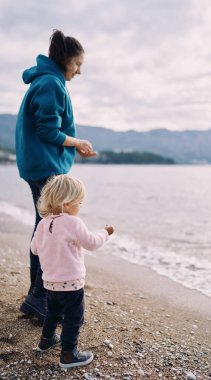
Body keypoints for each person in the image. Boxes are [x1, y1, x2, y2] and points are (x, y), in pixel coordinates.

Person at [15, 29, 96, 322]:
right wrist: (79, 143)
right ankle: (39, 298)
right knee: (51, 230)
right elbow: (47, 130)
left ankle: (37, 297)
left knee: (44, 228)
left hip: (38, 166)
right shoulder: (51, 84)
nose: (79, 71)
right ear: (65, 60)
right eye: (78, 64)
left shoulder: (46, 80)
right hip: (46, 168)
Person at [31, 174, 114, 368]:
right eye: (80, 202)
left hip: (50, 282)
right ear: (67, 203)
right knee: (73, 318)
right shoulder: (73, 223)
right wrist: (105, 233)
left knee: (53, 312)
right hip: (71, 283)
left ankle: (46, 341)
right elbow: (92, 243)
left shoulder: (42, 224)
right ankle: (69, 355)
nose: (81, 206)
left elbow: (34, 249)